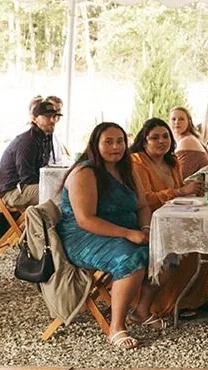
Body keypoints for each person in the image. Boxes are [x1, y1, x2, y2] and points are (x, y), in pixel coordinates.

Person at [57, 122, 159, 351]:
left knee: (168, 253)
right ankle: (116, 327)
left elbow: (143, 206)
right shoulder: (85, 172)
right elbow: (85, 219)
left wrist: (145, 230)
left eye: (120, 141)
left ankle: (142, 310)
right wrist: (128, 234)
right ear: (95, 144)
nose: (116, 147)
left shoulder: (128, 169)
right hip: (85, 236)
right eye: (109, 142)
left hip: (129, 232)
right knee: (131, 258)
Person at [129, 118, 208, 317]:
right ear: (144, 141)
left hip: (173, 217)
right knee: (184, 244)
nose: (161, 141)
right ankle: (167, 304)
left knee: (203, 236)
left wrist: (191, 190)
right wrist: (179, 192)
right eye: (155, 138)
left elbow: (180, 189)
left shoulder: (172, 161)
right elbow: (146, 200)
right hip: (148, 221)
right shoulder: (137, 162)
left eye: (165, 136)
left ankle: (193, 298)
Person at [0, 99, 59, 209]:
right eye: (47, 117)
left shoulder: (45, 137)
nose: (53, 120)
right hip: (12, 192)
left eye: (55, 116)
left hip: (24, 187)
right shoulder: (27, 141)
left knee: (62, 189)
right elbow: (27, 178)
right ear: (34, 119)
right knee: (60, 193)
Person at [168, 106, 208, 178]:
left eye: (181, 119)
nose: (177, 122)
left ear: (189, 122)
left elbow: (180, 176)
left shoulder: (187, 141)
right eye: (173, 119)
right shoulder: (185, 139)